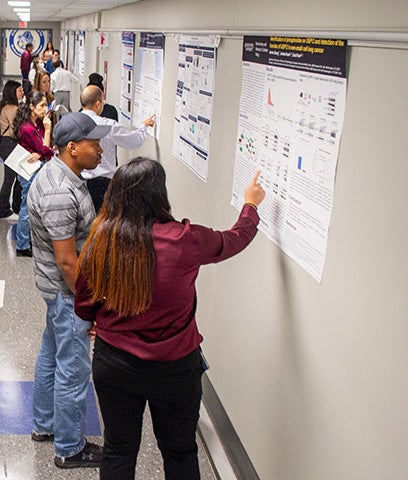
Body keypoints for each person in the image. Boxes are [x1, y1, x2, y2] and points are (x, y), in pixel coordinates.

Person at [75, 159, 265, 480]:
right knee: (180, 452)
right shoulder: (185, 240)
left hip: (114, 363)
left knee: (119, 450)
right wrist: (249, 206)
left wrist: (102, 322)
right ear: (159, 194)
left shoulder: (101, 240)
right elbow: (235, 239)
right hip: (175, 369)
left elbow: (83, 305)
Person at [27, 112, 111, 469]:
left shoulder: (62, 174)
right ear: (73, 148)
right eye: (94, 145)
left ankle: (44, 426)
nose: (101, 151)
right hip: (66, 293)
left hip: (56, 292)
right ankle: (69, 447)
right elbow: (66, 261)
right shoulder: (61, 193)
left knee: (52, 354)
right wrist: (87, 304)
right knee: (73, 369)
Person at [80, 85, 155, 212]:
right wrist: (144, 126)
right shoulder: (107, 125)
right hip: (102, 185)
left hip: (79, 183)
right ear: (98, 104)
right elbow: (134, 141)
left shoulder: (72, 122)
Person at [12, 90, 54, 257]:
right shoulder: (28, 128)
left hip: (37, 167)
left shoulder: (36, 124)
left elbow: (45, 149)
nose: (45, 109)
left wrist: (42, 152)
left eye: (46, 105)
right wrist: (48, 130)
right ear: (31, 106)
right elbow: (47, 149)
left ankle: (28, 239)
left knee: (33, 207)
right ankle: (22, 246)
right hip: (29, 172)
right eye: (42, 105)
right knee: (26, 208)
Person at [0, 80, 24, 219]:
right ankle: (6, 210)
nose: (22, 92)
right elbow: (15, 131)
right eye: (19, 90)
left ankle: (12, 207)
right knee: (11, 178)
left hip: (4, 144)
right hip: (9, 144)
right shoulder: (12, 109)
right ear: (13, 92)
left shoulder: (3, 106)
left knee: (16, 176)